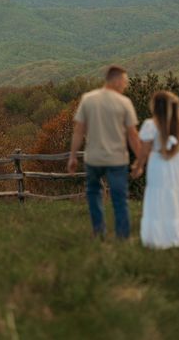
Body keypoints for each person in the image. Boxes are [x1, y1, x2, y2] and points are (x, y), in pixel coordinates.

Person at [67, 65, 140, 239]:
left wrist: (72, 156)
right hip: (116, 159)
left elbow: (78, 130)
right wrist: (140, 160)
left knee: (93, 194)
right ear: (115, 81)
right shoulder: (124, 103)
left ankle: (99, 232)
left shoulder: (88, 99)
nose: (125, 85)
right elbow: (133, 135)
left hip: (93, 158)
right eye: (124, 81)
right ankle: (122, 236)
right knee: (119, 198)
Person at [132, 89, 179, 249]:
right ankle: (177, 232)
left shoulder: (149, 125)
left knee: (158, 196)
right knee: (176, 194)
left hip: (158, 166)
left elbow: (144, 151)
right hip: (177, 164)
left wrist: (138, 166)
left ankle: (159, 235)